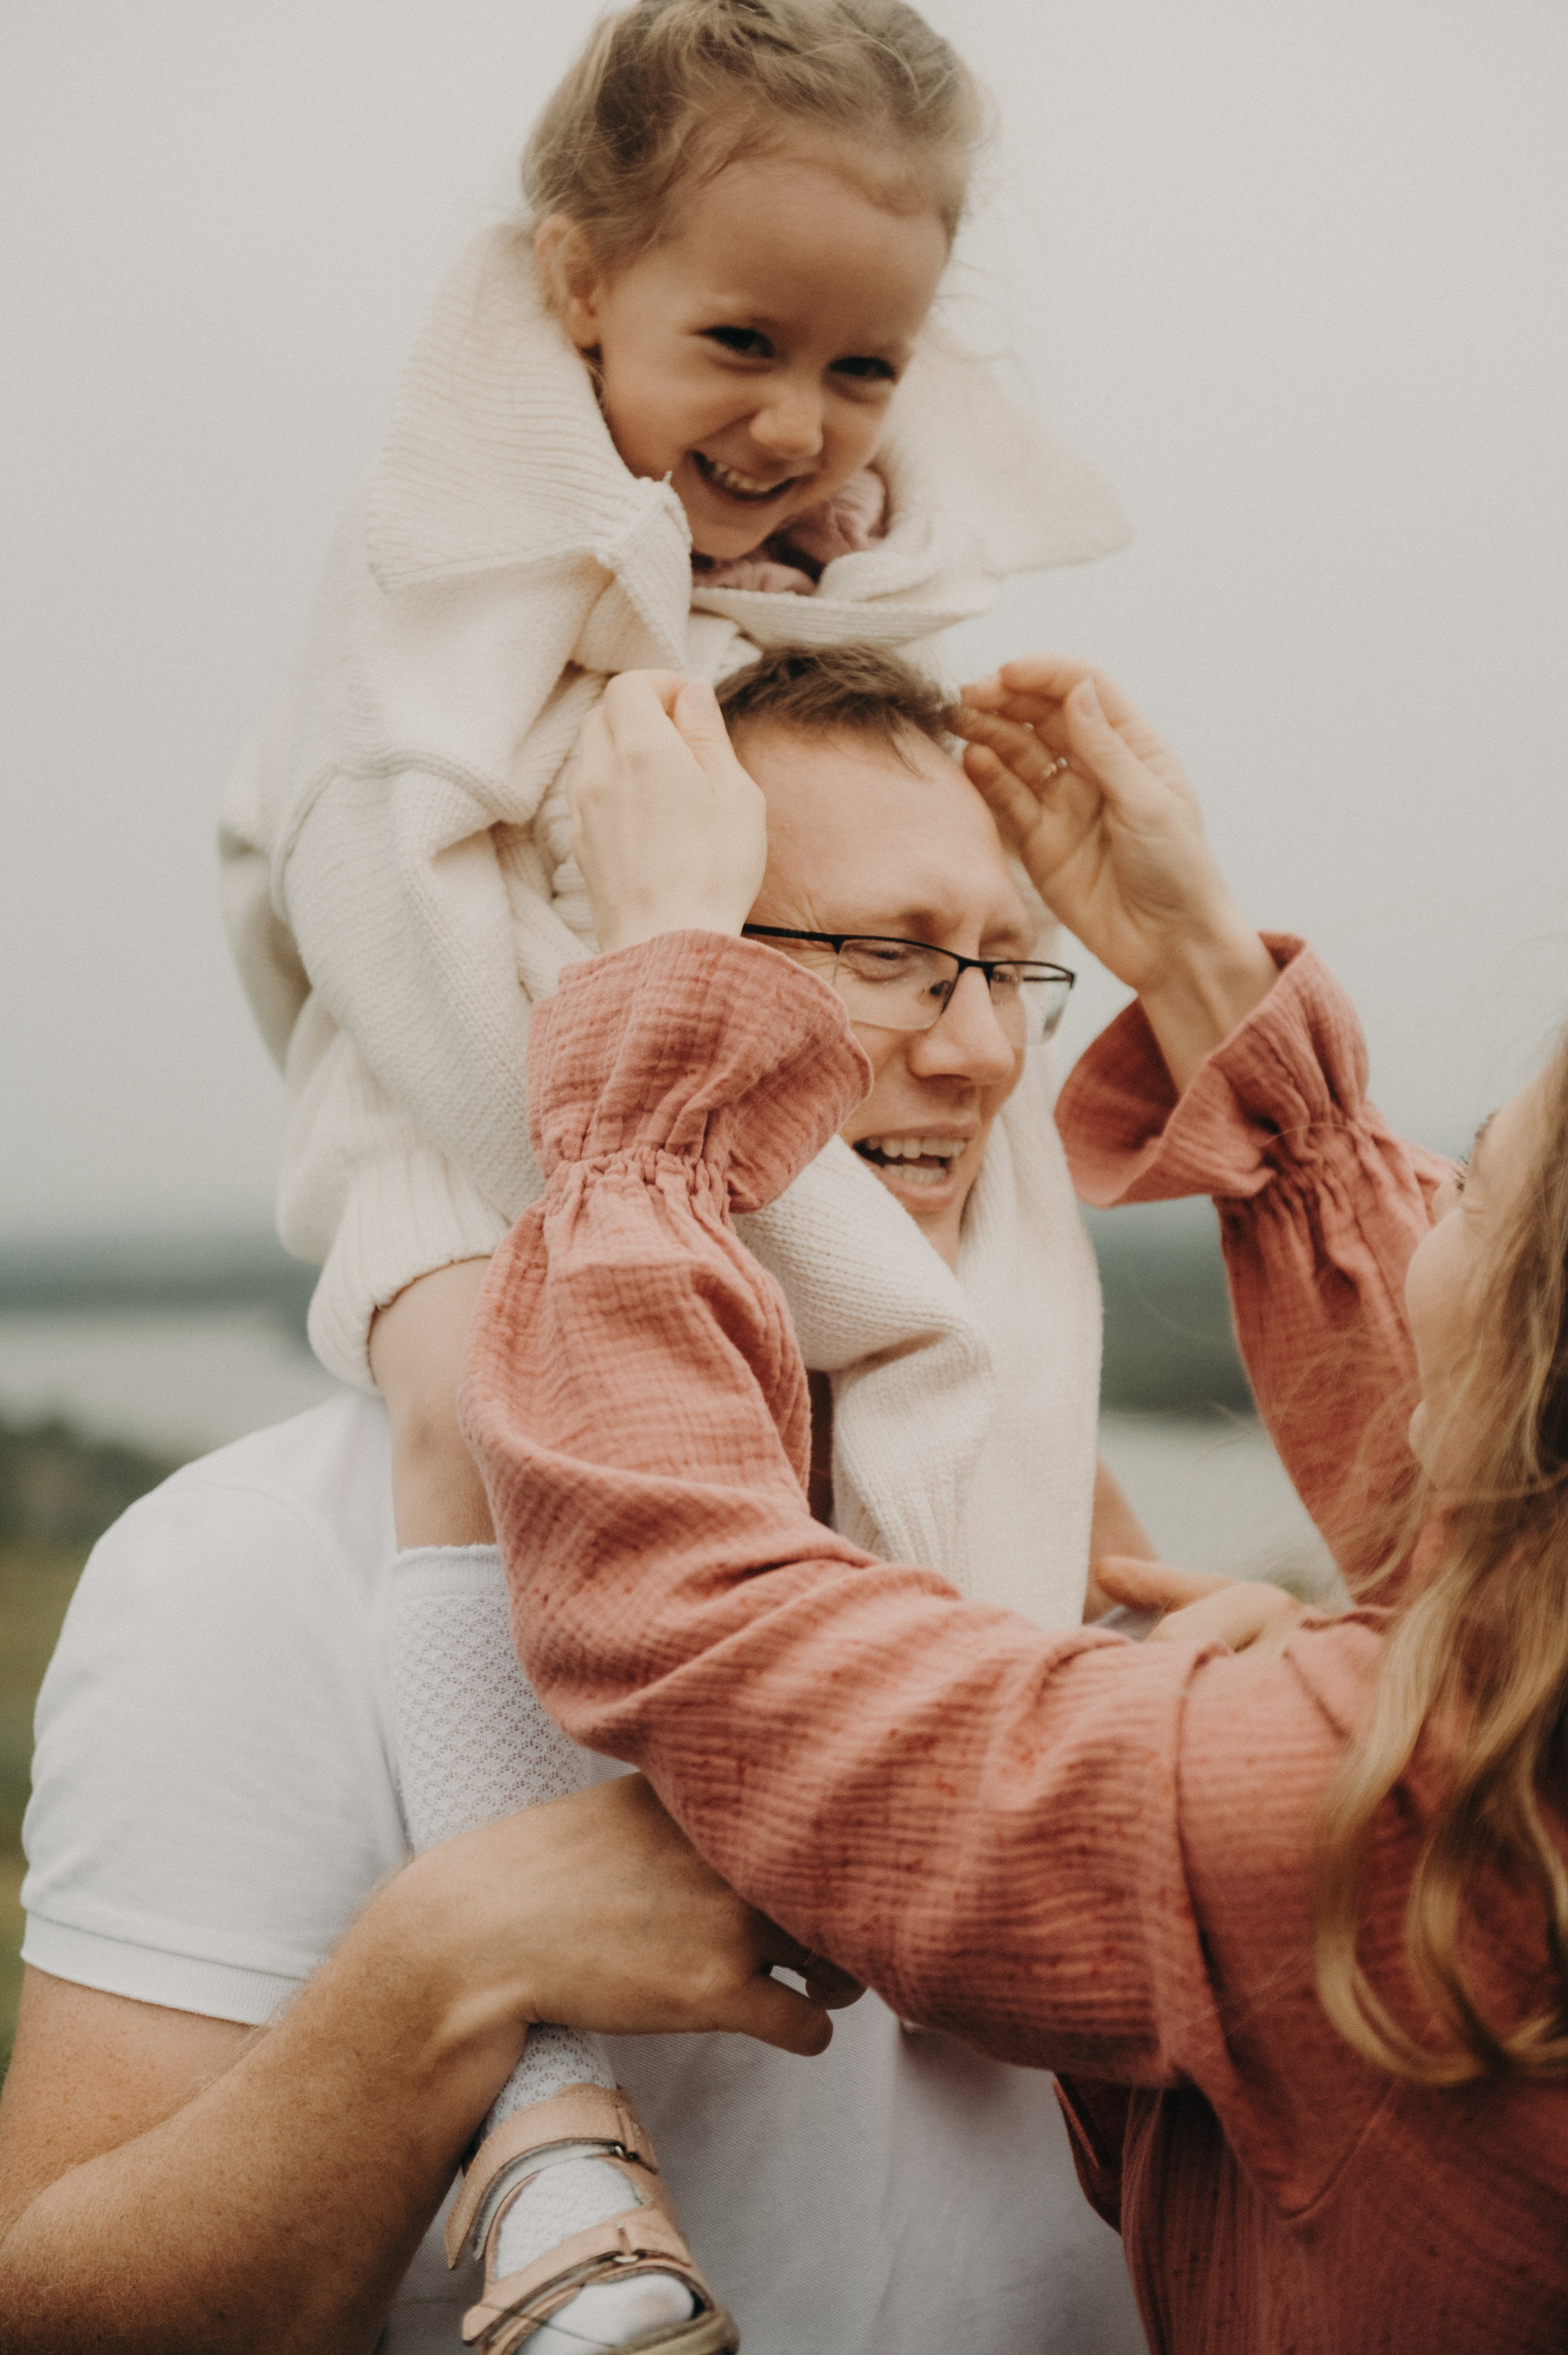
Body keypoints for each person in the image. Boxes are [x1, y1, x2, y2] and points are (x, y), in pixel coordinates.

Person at [217, 5, 1130, 2335]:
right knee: (473, 1406)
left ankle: (994, 1817)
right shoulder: (442, 564)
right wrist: (635, 1126)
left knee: (970, 1327)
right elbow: (392, 907)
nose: (797, 423)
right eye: (744, 341)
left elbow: (824, 707)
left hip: (676, 1048)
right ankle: (539, 2105)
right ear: (574, 282)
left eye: (862, 369)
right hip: (480, 1080)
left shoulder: (784, 533)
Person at [0, 654, 1167, 2349]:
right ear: (608, 960)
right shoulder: (253, 1565)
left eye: (1005, 967)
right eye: (892, 958)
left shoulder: (1062, 1540)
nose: (984, 1051)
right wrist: (444, 1969)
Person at [458, 656, 1568, 2351]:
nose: (979, 1051)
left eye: (1478, 1169)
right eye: (889, 957)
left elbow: (700, 1616)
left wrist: (649, 1060)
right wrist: (1205, 970)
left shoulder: (1376, 1819)